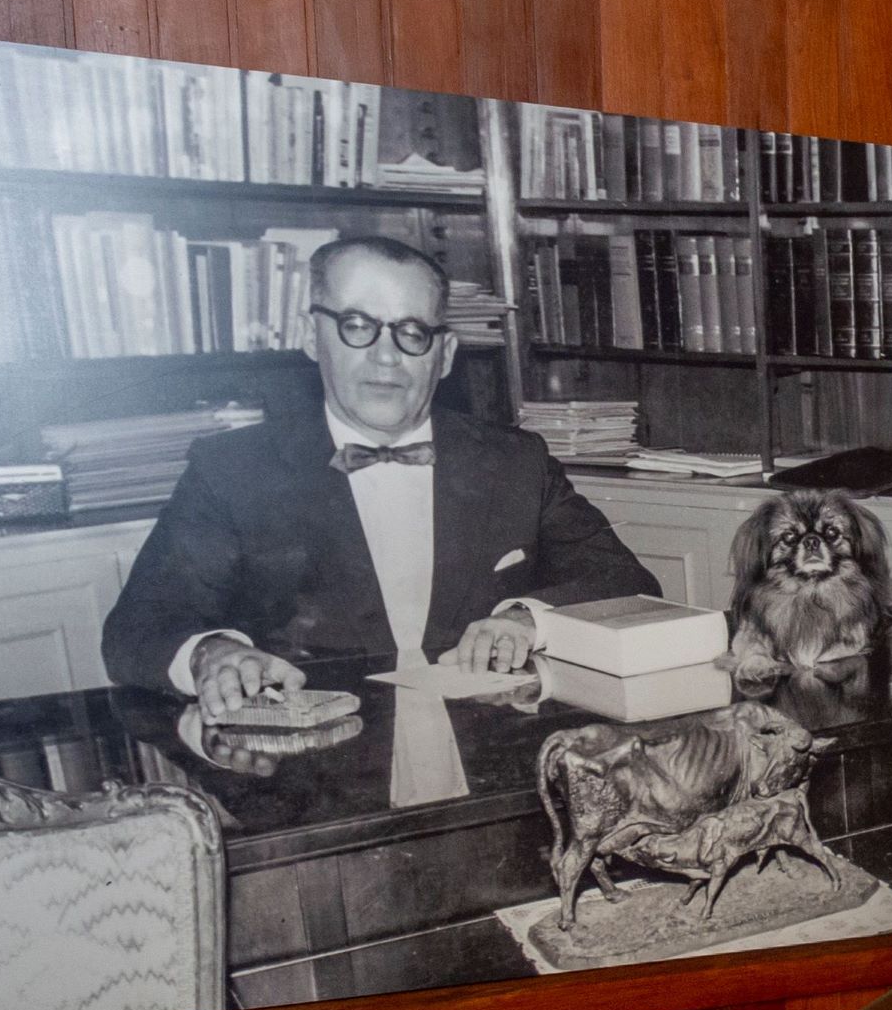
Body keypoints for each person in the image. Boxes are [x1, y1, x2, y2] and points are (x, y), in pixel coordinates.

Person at [102, 233, 657, 723]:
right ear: (311, 336)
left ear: (444, 355)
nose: (386, 357)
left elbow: (627, 584)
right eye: (357, 326)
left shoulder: (516, 462)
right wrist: (213, 654)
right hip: (312, 776)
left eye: (413, 332)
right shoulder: (232, 470)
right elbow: (137, 628)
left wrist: (526, 618)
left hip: (490, 746)